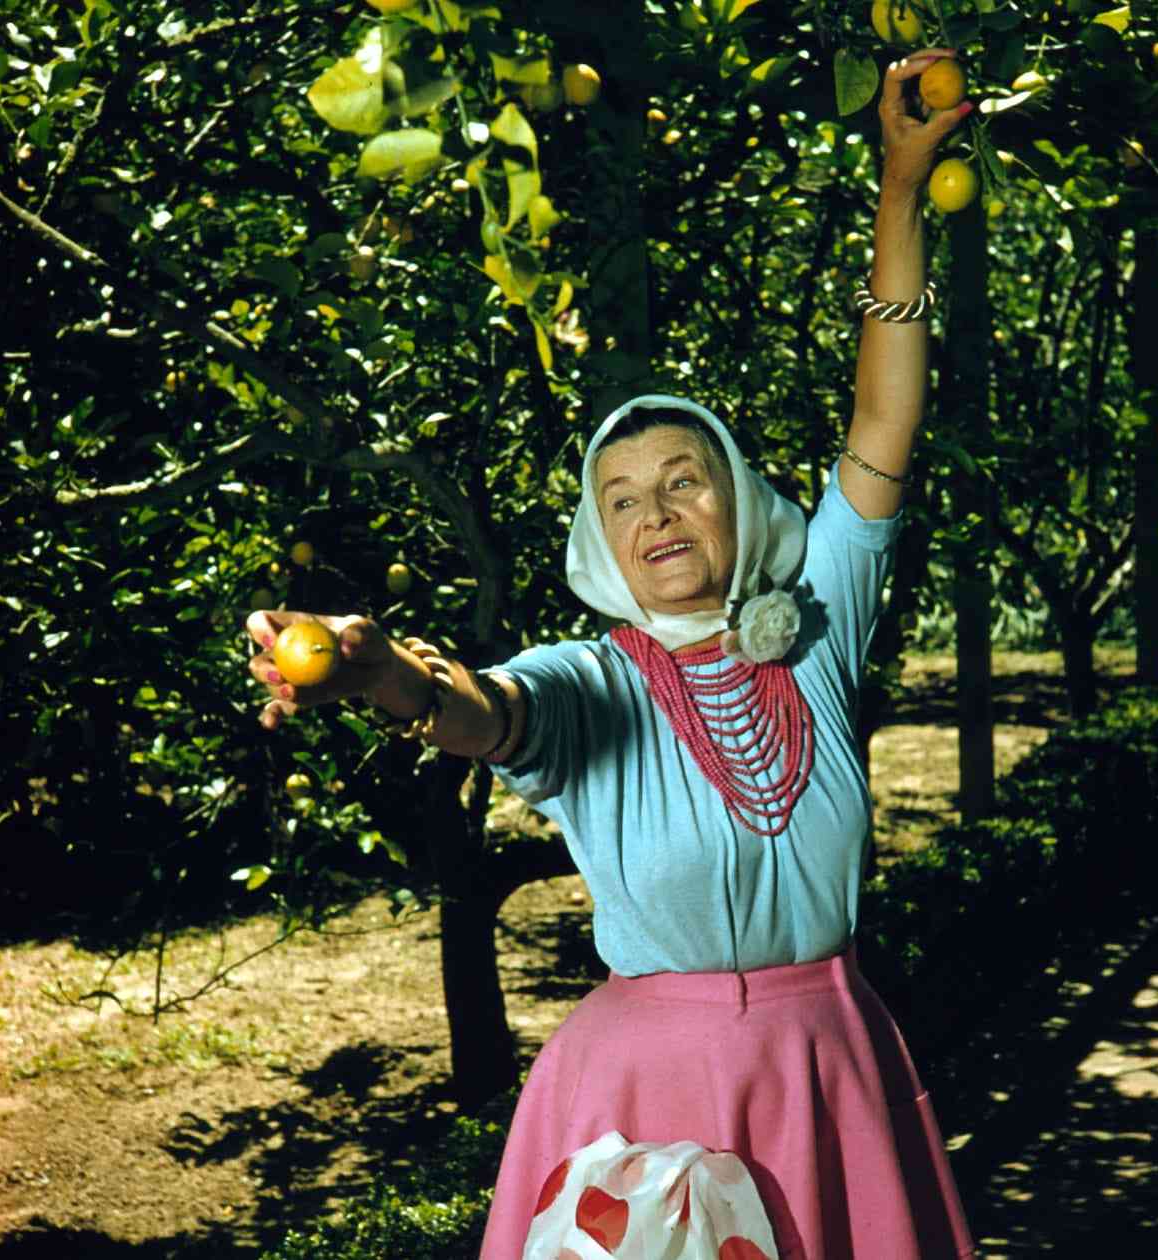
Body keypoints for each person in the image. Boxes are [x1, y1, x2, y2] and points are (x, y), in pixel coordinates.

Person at [247, 52, 976, 1260]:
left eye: (684, 481)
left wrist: (899, 189)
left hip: (830, 1065)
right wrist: (382, 674)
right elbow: (487, 712)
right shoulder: (597, 681)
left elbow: (883, 426)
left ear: (738, 503)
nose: (657, 515)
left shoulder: (819, 620)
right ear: (602, 541)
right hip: (647, 1093)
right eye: (623, 498)